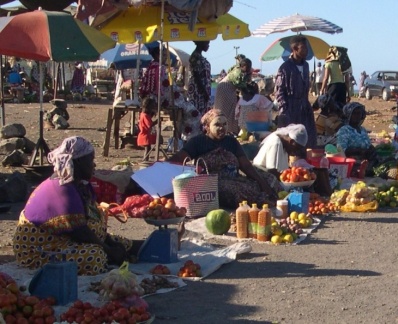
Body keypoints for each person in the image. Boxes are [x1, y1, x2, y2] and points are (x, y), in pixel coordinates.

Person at [12, 136, 140, 275]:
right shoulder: (62, 189)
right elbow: (80, 233)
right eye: (90, 160)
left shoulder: (81, 185)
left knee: (122, 243)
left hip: (65, 240)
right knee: (95, 257)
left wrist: (109, 242)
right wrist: (110, 252)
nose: (94, 165)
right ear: (78, 162)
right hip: (41, 250)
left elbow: (89, 222)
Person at [168, 109, 280, 209]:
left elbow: (246, 165)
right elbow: (179, 158)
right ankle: (262, 200)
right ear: (207, 127)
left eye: (225, 124)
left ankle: (264, 197)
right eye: (217, 124)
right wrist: (162, 167)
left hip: (235, 178)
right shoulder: (198, 142)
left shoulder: (231, 142)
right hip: (212, 183)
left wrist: (262, 182)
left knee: (270, 178)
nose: (222, 128)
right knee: (237, 191)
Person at [274, 35, 317, 148]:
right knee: (291, 140)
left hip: (304, 108)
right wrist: (284, 110)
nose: (306, 50)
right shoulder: (285, 68)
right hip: (290, 109)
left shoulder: (306, 66)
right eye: (303, 47)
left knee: (308, 138)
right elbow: (279, 91)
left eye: (307, 47)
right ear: (295, 49)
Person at [336, 102, 379, 177]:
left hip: (367, 159)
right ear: (349, 115)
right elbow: (341, 151)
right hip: (353, 161)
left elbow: (368, 144)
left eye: (359, 113)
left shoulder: (362, 130)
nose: (357, 116)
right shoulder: (344, 130)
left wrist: (372, 149)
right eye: (354, 113)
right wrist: (359, 151)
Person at [214, 57, 252, 135]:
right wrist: (249, 93)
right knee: (226, 110)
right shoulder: (238, 72)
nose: (248, 68)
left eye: (249, 66)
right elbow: (240, 85)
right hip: (225, 88)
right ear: (242, 66)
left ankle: (227, 130)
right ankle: (225, 130)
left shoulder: (238, 69)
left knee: (230, 108)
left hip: (226, 88)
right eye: (247, 67)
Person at [188, 41, 212, 116]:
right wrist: (204, 92)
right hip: (198, 92)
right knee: (198, 115)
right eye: (207, 43)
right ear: (200, 43)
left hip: (202, 91)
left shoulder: (199, 56)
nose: (208, 46)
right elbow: (196, 76)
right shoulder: (195, 57)